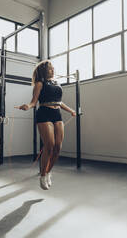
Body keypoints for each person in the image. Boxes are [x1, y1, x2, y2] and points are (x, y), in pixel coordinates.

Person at [15, 60, 76, 190]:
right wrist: (27, 106)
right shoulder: (39, 83)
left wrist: (71, 110)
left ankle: (48, 171)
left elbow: (59, 102)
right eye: (49, 68)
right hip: (44, 113)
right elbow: (33, 102)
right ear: (44, 70)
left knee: (58, 147)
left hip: (56, 114)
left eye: (53, 68)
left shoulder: (56, 83)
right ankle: (42, 175)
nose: (52, 70)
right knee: (49, 145)